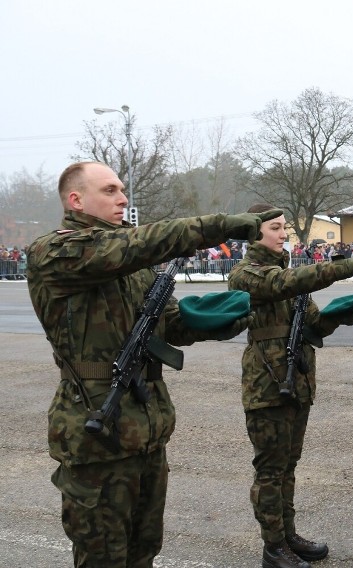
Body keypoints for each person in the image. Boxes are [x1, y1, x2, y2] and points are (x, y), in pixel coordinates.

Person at [26, 161, 283, 567]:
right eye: (109, 190)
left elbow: (168, 324)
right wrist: (220, 225)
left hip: (145, 430)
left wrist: (211, 320)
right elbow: (140, 244)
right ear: (76, 199)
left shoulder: (132, 264)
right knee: (103, 559)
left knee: (144, 552)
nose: (123, 198)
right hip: (97, 432)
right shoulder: (55, 252)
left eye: (122, 190)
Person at [228, 204, 353, 568]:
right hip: (267, 383)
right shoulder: (245, 274)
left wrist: (338, 318)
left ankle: (288, 534)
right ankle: (273, 547)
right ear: (256, 233)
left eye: (284, 228)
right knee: (270, 468)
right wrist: (344, 267)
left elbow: (312, 323)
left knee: (288, 465)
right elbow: (282, 285)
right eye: (276, 228)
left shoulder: (289, 273)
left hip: (295, 380)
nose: (283, 234)